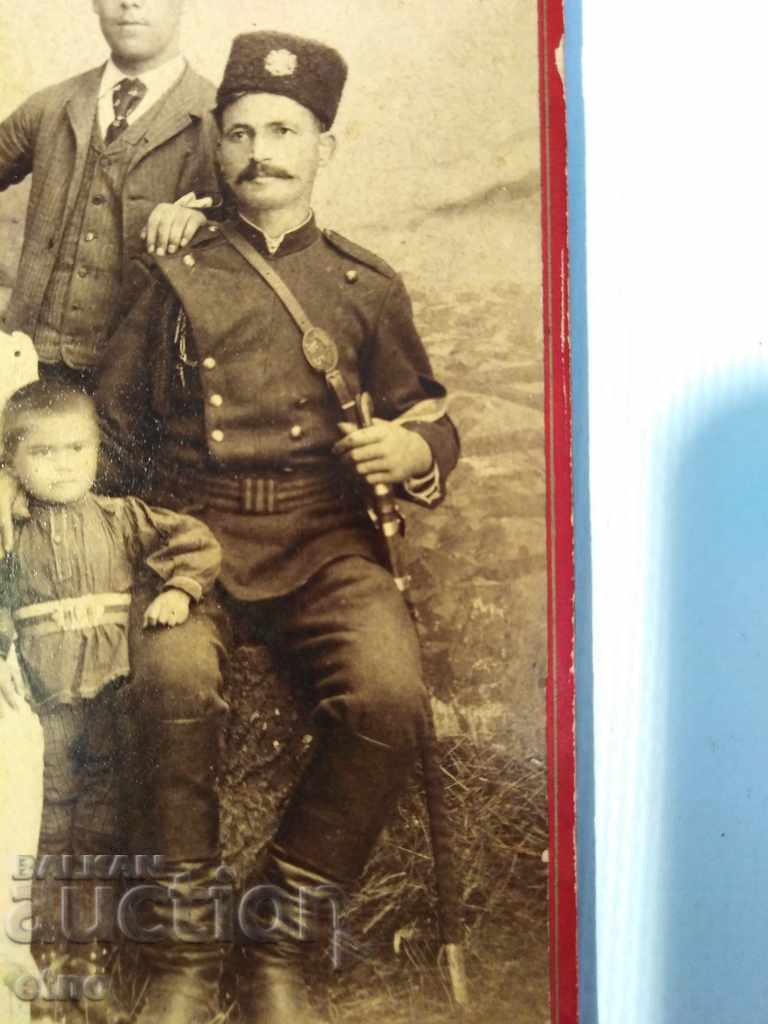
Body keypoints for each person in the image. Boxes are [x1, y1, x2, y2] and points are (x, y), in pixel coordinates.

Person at [91, 29, 461, 1024]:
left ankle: (279, 942)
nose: (262, 151)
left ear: (324, 149)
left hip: (327, 542)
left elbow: (424, 408)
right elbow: (114, 434)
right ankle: (184, 950)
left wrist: (420, 453)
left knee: (389, 696)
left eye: (286, 132)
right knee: (171, 682)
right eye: (243, 131)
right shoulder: (172, 274)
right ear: (218, 144)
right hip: (193, 537)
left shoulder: (362, 284)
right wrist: (144, 534)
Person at [0, 380, 221, 1022]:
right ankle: (42, 963)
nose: (64, 465)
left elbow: (198, 543)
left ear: (98, 451)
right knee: (47, 831)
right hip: (47, 715)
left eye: (77, 449)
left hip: (107, 704)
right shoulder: (11, 532)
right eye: (43, 454)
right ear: (12, 462)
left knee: (98, 831)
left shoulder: (122, 516)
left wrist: (179, 589)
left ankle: (87, 959)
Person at [0, 0, 220, 392]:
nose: (130, 3)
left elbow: (256, 238)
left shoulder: (218, 119)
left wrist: (205, 223)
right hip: (28, 362)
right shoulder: (53, 104)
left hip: (139, 380)